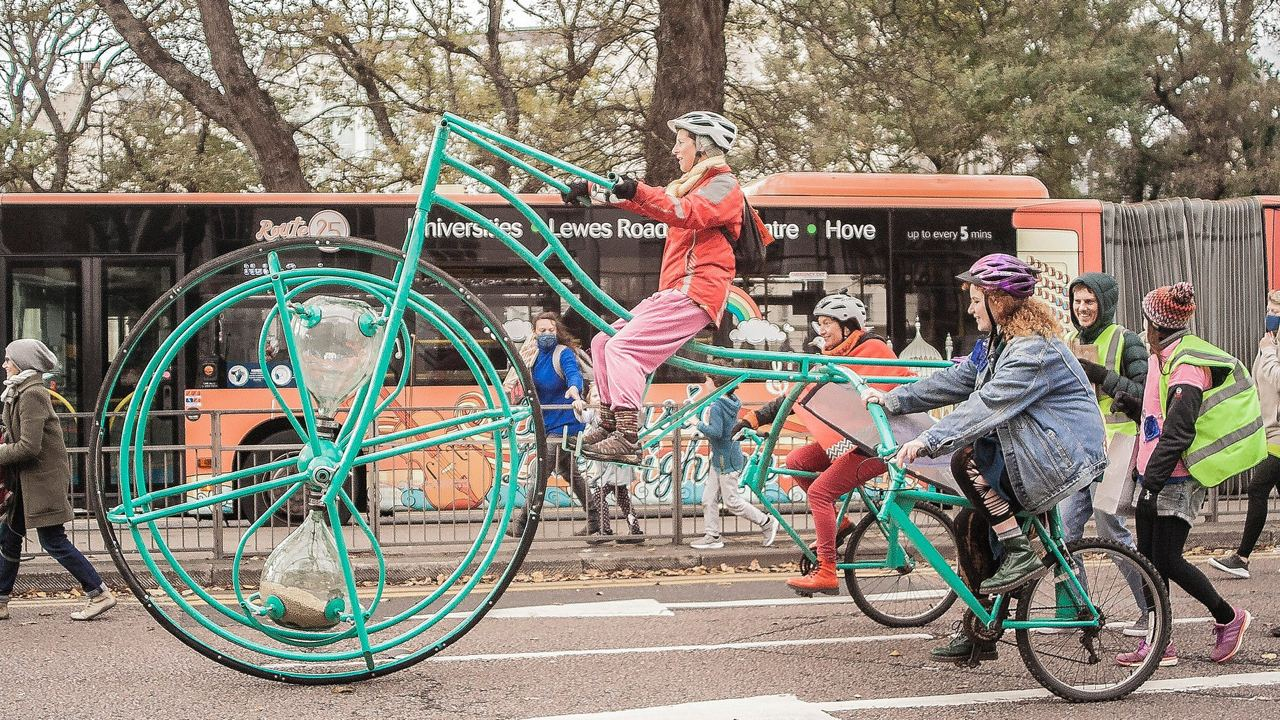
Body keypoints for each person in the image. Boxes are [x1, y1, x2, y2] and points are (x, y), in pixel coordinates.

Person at [863, 253, 1106, 662]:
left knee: (966, 458)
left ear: (999, 301)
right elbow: (958, 380)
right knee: (968, 527)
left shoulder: (1032, 351)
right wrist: (893, 400)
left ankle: (1018, 551)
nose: (971, 309)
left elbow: (987, 404)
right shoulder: (999, 342)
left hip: (1062, 456)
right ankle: (981, 629)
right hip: (1034, 448)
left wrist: (929, 440)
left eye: (977, 300)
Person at [562, 111, 744, 464]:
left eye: (681, 142)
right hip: (676, 289)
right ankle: (610, 422)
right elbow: (652, 202)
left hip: (697, 290)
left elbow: (685, 211)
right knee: (603, 341)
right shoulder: (690, 184)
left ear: (703, 146)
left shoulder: (724, 184)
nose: (675, 150)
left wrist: (636, 188)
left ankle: (628, 436)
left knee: (624, 349)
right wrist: (592, 190)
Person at [1112, 282, 1259, 666]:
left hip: (1175, 477)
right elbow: (1161, 418)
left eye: (1147, 321)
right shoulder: (1163, 356)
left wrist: (1152, 486)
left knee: (1167, 559)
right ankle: (1159, 641)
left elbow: (1179, 431)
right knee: (1148, 559)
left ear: (1157, 325)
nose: (1144, 328)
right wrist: (1132, 406)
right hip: (1154, 472)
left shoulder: (1188, 366)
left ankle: (1229, 617)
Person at [733, 293, 912, 595]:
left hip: (879, 445)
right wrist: (753, 419)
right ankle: (839, 526)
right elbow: (797, 394)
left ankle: (827, 570)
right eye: (820, 324)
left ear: (848, 326)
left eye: (828, 323)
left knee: (819, 492)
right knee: (797, 462)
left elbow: (896, 394)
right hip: (855, 441)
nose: (822, 330)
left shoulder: (873, 350)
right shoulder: (835, 357)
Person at [1058, 272, 1149, 637]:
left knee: (1111, 530)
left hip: (1118, 445)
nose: (1082, 308)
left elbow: (1145, 393)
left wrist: (1101, 375)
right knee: (1064, 532)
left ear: (1105, 304)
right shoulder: (1067, 341)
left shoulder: (1126, 339)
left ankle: (1151, 611)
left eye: (1090, 301)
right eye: (1077, 301)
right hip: (1079, 448)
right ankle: (1078, 611)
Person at [0, 339, 116, 621]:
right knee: (9, 537)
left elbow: (29, 447)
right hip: (26, 483)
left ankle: (99, 593)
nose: (4, 364)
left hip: (41, 482)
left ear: (22, 363)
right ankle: (1, 601)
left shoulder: (32, 394)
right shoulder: (18, 391)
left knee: (53, 541)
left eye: (9, 359)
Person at [506, 312, 603, 539]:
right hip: (548, 424)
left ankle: (523, 524)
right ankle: (595, 519)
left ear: (557, 331)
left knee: (540, 473)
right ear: (534, 333)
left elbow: (573, 374)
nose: (547, 334)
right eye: (542, 330)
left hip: (566, 425)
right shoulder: (533, 357)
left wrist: (574, 390)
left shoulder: (563, 353)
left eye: (551, 330)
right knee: (571, 473)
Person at [1209, 290, 1280, 593]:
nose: (1270, 316)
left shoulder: (1270, 347)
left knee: (1256, 488)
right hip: (1268, 430)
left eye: (1276, 311)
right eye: (1269, 309)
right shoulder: (1270, 343)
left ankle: (1241, 557)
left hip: (1278, 435)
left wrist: (1268, 352)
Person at [689, 370, 779, 550]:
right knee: (708, 498)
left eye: (708, 380)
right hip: (725, 457)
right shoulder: (731, 401)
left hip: (725, 460)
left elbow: (716, 432)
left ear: (717, 384)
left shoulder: (717, 406)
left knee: (731, 501)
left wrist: (696, 423)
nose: (705, 384)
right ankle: (712, 536)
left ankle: (767, 522)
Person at [585, 462, 645, 545]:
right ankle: (635, 530)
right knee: (624, 501)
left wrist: (593, 480)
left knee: (598, 497)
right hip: (620, 472)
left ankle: (605, 531)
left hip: (611, 475)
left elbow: (602, 468)